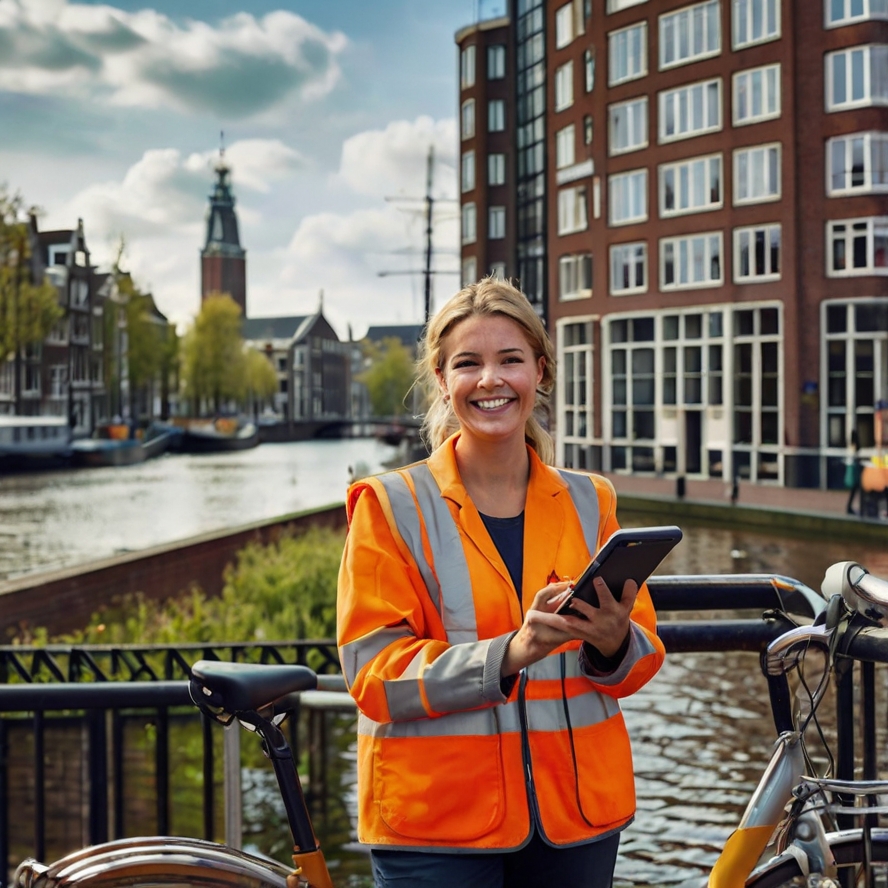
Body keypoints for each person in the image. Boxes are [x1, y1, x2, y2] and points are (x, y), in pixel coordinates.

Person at [337, 278, 666, 888]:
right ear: (442, 379)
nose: (490, 380)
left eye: (509, 360)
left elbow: (640, 660)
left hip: (575, 820)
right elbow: (373, 673)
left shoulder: (589, 502)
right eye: (469, 363)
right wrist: (512, 653)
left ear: (538, 372)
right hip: (439, 826)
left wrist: (613, 641)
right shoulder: (390, 505)